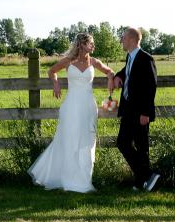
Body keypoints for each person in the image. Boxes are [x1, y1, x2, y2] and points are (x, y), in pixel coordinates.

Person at [28, 33, 115, 193]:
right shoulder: (68, 61)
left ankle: (83, 181)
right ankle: (67, 179)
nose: (92, 47)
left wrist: (110, 77)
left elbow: (109, 71)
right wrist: (56, 84)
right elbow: (51, 71)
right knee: (68, 140)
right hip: (71, 106)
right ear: (81, 45)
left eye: (92, 44)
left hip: (88, 106)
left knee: (87, 142)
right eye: (90, 44)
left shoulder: (94, 62)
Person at [112, 27, 160, 191]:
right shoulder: (130, 57)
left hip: (140, 112)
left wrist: (146, 113)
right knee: (122, 143)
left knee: (141, 146)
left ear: (132, 40)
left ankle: (143, 181)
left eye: (123, 38)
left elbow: (151, 86)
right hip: (128, 109)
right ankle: (147, 176)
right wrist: (118, 75)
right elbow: (129, 72)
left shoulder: (146, 59)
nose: (122, 41)